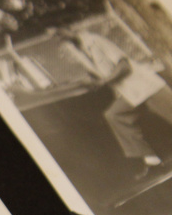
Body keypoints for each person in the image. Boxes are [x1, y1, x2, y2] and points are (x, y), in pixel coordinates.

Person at [59, 27, 172, 178]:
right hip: (132, 94)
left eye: (59, 33)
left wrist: (103, 82)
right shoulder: (81, 51)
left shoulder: (96, 41)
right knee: (114, 115)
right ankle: (153, 162)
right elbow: (103, 75)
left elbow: (124, 67)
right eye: (56, 37)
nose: (59, 38)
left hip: (147, 86)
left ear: (69, 28)